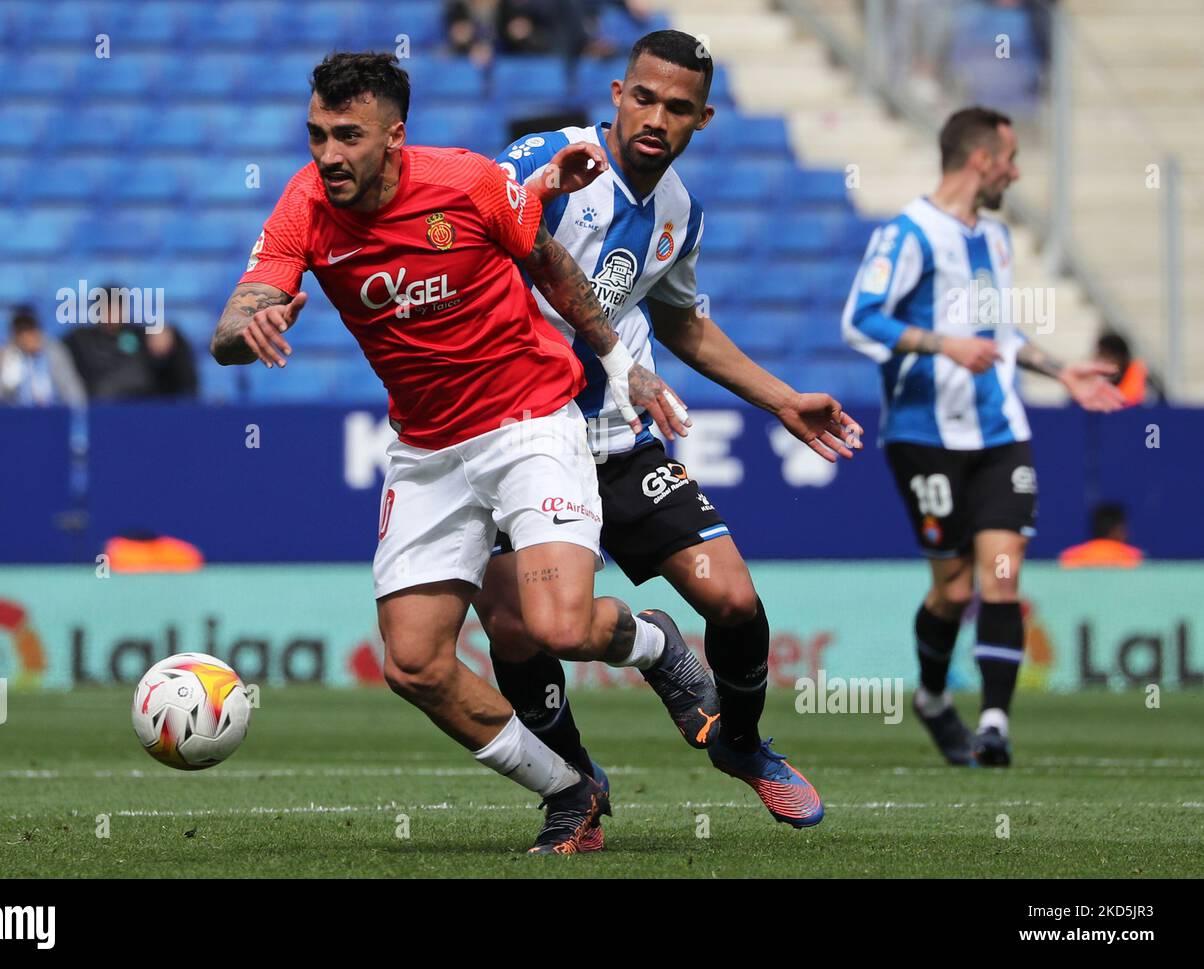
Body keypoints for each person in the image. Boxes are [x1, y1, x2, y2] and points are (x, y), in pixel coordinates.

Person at [210, 52, 716, 855]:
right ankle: (569, 790)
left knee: (559, 625)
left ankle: (654, 642)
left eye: (348, 136)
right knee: (412, 663)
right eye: (317, 135)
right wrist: (250, 327)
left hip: (530, 422)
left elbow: (548, 262)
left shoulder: (467, 181)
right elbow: (234, 321)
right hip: (428, 446)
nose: (328, 155)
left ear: (395, 137)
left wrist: (619, 361)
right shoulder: (304, 205)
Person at [481, 29, 861, 837]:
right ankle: (577, 785)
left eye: (678, 107)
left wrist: (782, 400)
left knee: (731, 596)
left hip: (616, 436)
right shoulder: (546, 162)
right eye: (644, 97)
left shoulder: (680, 211)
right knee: (517, 624)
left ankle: (743, 744)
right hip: (515, 436)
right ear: (617, 95)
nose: (657, 117)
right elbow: (475, 232)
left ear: (703, 119)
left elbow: (683, 322)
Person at [842, 105, 1125, 767]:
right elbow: (861, 320)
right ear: (981, 159)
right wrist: (942, 344)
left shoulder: (994, 238)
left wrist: (1062, 370)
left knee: (1001, 576)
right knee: (954, 589)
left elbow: (997, 336)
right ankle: (935, 699)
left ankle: (995, 722)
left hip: (1001, 431)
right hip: (924, 435)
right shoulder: (908, 233)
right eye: (1010, 158)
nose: (1016, 171)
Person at [62, 284, 159, 399]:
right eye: (108, 307)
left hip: (141, 404)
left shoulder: (141, 335)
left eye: (118, 307)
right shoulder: (80, 340)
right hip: (100, 406)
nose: (113, 313)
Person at [0, 305, 87, 407]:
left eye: (30, 329)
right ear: (14, 334)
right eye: (20, 331)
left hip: (52, 416)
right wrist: (6, 383)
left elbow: (75, 394)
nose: (26, 336)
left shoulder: (54, 352)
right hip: (15, 418)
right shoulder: (3, 354)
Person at [1059, 503, 1143, 568]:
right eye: (1124, 529)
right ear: (1117, 530)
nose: (1126, 533)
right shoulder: (1133, 557)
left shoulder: (1070, 557)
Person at [1094, 332, 1156, 406]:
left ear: (1122, 357)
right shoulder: (1097, 381)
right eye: (1100, 355)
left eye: (1107, 355)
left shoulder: (1145, 383)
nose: (1102, 361)